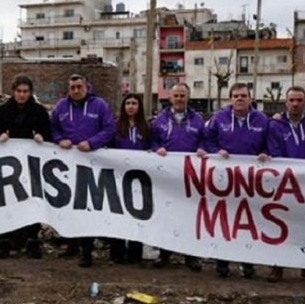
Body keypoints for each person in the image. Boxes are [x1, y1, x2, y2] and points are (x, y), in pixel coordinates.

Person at [204, 82, 270, 279]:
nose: (239, 99)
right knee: (224, 221)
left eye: (243, 95)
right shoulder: (220, 118)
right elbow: (207, 141)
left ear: (250, 98)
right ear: (230, 99)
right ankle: (222, 262)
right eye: (236, 96)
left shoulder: (262, 120)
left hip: (252, 180)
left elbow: (271, 144)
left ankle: (247, 262)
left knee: (248, 222)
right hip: (225, 179)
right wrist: (216, 151)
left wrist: (266, 154)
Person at [50, 74, 116, 267]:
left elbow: (109, 129)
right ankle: (72, 245)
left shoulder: (100, 105)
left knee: (87, 206)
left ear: (87, 87)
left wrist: (92, 143)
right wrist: (59, 140)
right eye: (72, 88)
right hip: (68, 165)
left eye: (79, 87)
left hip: (92, 163)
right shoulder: (61, 107)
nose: (76, 90)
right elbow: (52, 129)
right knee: (69, 205)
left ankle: (87, 251)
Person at [266, 86, 305, 283]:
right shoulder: (275, 126)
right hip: (282, 183)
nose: (295, 104)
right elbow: (274, 152)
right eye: (292, 100)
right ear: (286, 103)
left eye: (299, 100)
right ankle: (277, 265)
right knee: (279, 225)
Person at [0, 74, 52, 260]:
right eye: (18, 91)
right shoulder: (2, 111)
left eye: (25, 91)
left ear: (30, 92)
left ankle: (32, 240)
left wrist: (42, 139)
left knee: (32, 201)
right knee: (7, 200)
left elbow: (50, 136)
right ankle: (5, 240)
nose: (22, 95)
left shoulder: (39, 112)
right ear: (13, 92)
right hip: (8, 167)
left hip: (32, 166)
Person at [150, 83, 207, 271]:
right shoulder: (160, 119)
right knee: (166, 215)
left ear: (188, 98)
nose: (180, 99)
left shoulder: (198, 119)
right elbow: (152, 140)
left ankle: (191, 256)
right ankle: (164, 253)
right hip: (167, 176)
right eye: (176, 96)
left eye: (183, 95)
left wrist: (202, 148)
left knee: (190, 216)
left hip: (191, 175)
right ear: (170, 98)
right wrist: (157, 148)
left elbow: (205, 140)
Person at [109, 93, 149, 265]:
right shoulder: (116, 126)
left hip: (140, 179)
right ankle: (117, 253)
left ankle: (135, 253)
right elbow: (108, 147)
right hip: (119, 177)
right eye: (128, 103)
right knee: (118, 214)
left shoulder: (146, 127)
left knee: (137, 215)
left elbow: (152, 146)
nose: (131, 106)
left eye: (134, 103)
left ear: (139, 106)